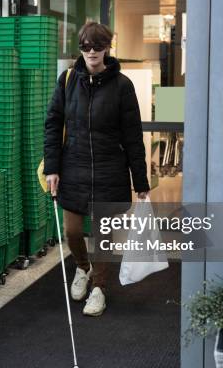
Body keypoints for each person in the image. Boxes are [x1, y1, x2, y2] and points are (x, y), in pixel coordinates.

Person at [44, 21, 150, 317]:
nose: (91, 52)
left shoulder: (122, 86)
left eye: (97, 46)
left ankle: (100, 288)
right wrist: (52, 167)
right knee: (73, 231)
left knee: (103, 234)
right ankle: (82, 267)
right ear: (81, 49)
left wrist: (140, 181)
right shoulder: (67, 80)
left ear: (107, 48)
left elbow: (132, 136)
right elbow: (53, 125)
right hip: (73, 167)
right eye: (86, 46)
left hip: (109, 170)